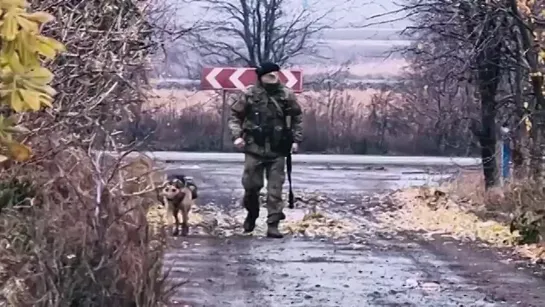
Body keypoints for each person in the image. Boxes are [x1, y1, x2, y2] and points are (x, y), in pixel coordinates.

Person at [227, 62, 303, 238]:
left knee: (275, 190)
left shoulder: (286, 95)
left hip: (278, 149)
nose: (272, 78)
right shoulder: (250, 94)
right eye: (268, 75)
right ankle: (252, 214)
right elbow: (234, 116)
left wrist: (295, 139)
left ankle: (273, 223)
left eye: (274, 75)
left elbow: (297, 116)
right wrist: (237, 136)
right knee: (251, 187)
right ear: (261, 77)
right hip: (254, 148)